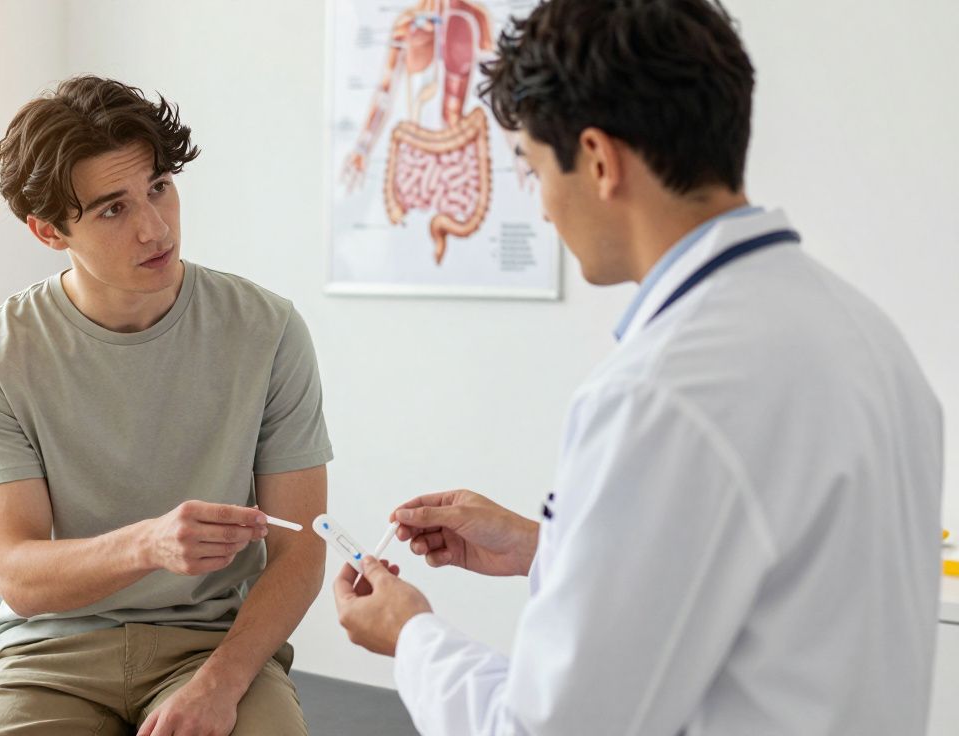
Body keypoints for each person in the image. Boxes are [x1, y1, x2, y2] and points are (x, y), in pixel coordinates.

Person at [331, 1, 945, 734]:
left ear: (597, 159)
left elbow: (547, 729)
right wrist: (545, 548)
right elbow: (777, 590)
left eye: (532, 168)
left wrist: (410, 638)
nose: (546, 209)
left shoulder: (663, 391)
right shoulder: (866, 337)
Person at [0, 75, 331, 736]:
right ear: (47, 231)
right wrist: (148, 544)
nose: (154, 228)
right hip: (48, 657)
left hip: (213, 648)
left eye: (158, 188)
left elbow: (300, 554)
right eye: (112, 209)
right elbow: (20, 576)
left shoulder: (268, 331)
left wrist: (220, 684)